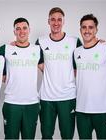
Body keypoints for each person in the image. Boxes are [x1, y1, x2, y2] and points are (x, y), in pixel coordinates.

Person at [73, 14, 106, 139]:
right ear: (80, 30)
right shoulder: (76, 52)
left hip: (103, 110)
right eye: (84, 27)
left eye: (91, 27)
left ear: (96, 29)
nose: (87, 30)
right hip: (81, 110)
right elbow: (76, 77)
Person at [36, 7, 82, 139]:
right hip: (47, 98)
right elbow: (34, 58)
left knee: (67, 136)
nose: (56, 23)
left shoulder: (74, 41)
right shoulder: (41, 41)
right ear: (48, 21)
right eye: (53, 19)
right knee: (46, 135)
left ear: (63, 22)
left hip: (67, 97)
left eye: (59, 20)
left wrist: (99, 42)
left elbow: (82, 60)